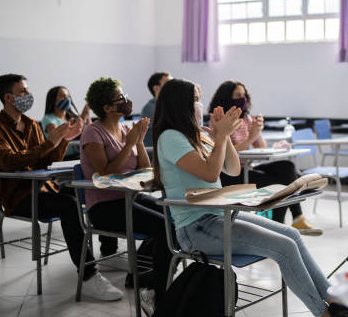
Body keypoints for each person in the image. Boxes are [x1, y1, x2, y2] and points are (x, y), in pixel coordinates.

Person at [153, 78, 331, 317]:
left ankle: (334, 299)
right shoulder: (171, 137)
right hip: (195, 229)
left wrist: (222, 137)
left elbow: (232, 169)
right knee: (284, 247)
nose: (200, 104)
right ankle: (324, 313)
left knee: (292, 234)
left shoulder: (199, 134)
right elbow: (210, 173)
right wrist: (220, 137)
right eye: (196, 99)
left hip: (219, 217)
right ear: (180, 104)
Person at [0, 74, 123, 301]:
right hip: (17, 197)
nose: (28, 96)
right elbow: (9, 161)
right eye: (22, 92)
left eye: (27, 90)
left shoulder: (30, 124)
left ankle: (109, 249)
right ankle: (88, 275)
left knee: (85, 191)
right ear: (8, 97)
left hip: (42, 189)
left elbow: (43, 162)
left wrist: (64, 139)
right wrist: (51, 142)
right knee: (69, 205)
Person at [80, 77, 170, 315]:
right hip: (105, 207)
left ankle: (140, 274)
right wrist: (129, 143)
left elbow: (145, 168)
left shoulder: (125, 128)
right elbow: (104, 174)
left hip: (131, 198)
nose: (126, 101)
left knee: (173, 215)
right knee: (163, 227)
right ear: (106, 107)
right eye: (119, 98)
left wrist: (138, 142)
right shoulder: (92, 132)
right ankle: (155, 290)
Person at [208, 80, 322, 236]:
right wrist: (249, 139)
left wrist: (257, 131)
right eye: (237, 95)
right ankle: (282, 224)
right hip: (230, 175)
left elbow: (261, 149)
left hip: (248, 169)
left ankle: (295, 217)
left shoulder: (246, 119)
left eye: (244, 95)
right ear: (227, 98)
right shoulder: (219, 120)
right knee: (282, 185)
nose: (242, 99)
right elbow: (224, 154)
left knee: (286, 167)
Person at [42, 85, 92, 157]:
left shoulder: (72, 118)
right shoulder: (48, 119)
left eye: (68, 96)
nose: (67, 99)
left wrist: (87, 115)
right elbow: (60, 136)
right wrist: (83, 117)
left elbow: (89, 133)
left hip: (79, 155)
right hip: (62, 157)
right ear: (53, 99)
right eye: (62, 96)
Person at [141, 72, 171, 147]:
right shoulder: (150, 109)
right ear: (156, 88)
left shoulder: (167, 107)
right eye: (168, 83)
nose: (172, 86)